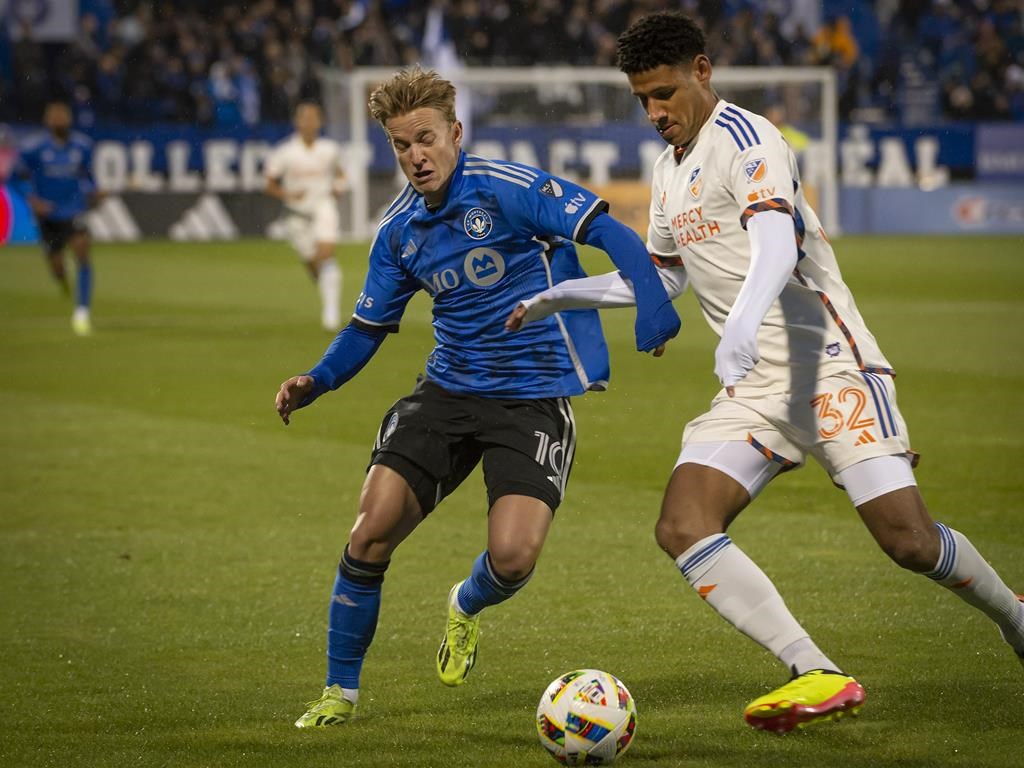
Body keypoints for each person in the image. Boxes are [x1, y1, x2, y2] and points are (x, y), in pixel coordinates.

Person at [508, 11, 1024, 734]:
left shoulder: (748, 140)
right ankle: (815, 669)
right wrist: (561, 294)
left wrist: (744, 324)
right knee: (683, 523)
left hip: (829, 368)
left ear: (702, 71)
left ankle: (1016, 618)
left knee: (908, 540)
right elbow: (663, 279)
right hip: (754, 387)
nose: (656, 113)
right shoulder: (667, 169)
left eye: (664, 93)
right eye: (643, 100)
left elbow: (776, 242)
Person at [274, 67, 680, 728]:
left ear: (455, 132)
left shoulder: (508, 189)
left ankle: (465, 603)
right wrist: (316, 380)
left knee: (514, 558)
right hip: (447, 391)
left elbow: (607, 230)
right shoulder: (399, 231)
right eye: (402, 146)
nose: (416, 157)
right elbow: (368, 327)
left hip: (532, 398)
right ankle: (338, 692)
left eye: (426, 139)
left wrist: (651, 307)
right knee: (370, 531)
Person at [15, 101, 100, 335]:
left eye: (63, 116)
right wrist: (32, 200)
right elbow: (15, 177)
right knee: (57, 266)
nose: (60, 120)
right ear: (47, 121)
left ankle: (82, 312)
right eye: (55, 116)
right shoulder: (34, 148)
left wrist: (95, 190)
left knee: (83, 252)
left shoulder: (82, 146)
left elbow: (89, 176)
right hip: (49, 214)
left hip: (74, 210)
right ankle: (62, 281)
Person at [265, 102, 347, 331]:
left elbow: (341, 175)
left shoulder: (330, 149)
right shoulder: (285, 152)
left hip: (323, 206)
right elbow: (269, 185)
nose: (310, 123)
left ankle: (330, 312)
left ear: (320, 122)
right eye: (305, 118)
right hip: (296, 214)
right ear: (297, 122)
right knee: (313, 263)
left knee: (326, 253)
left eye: (314, 118)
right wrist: (288, 193)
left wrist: (337, 188)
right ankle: (327, 289)